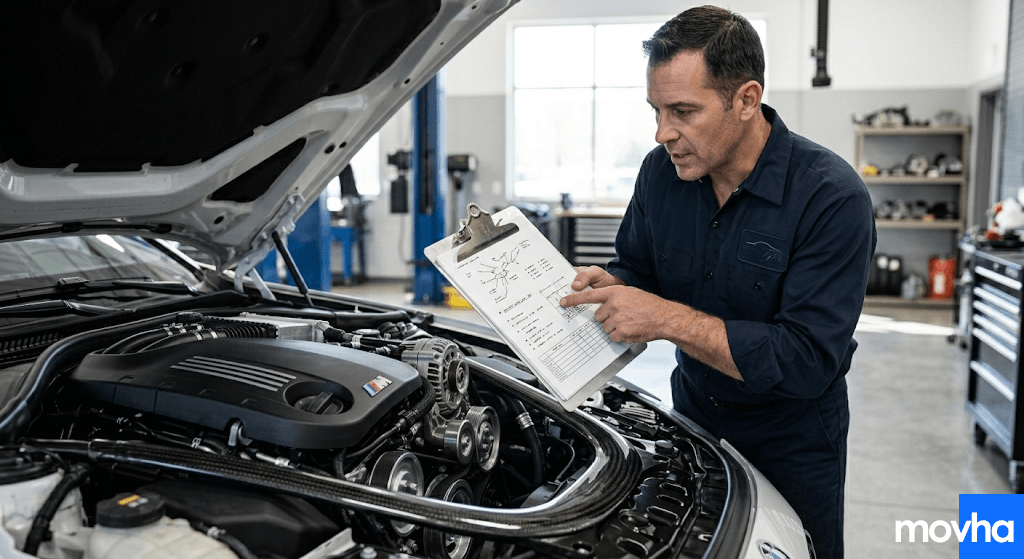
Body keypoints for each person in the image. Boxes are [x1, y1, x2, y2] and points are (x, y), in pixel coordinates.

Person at [559, 6, 876, 558]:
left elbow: (804, 358)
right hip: (693, 419)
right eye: (656, 110)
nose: (663, 133)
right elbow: (640, 269)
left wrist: (663, 317)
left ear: (747, 100)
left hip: (793, 440)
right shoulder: (662, 172)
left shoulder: (831, 198)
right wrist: (612, 284)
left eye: (683, 111)